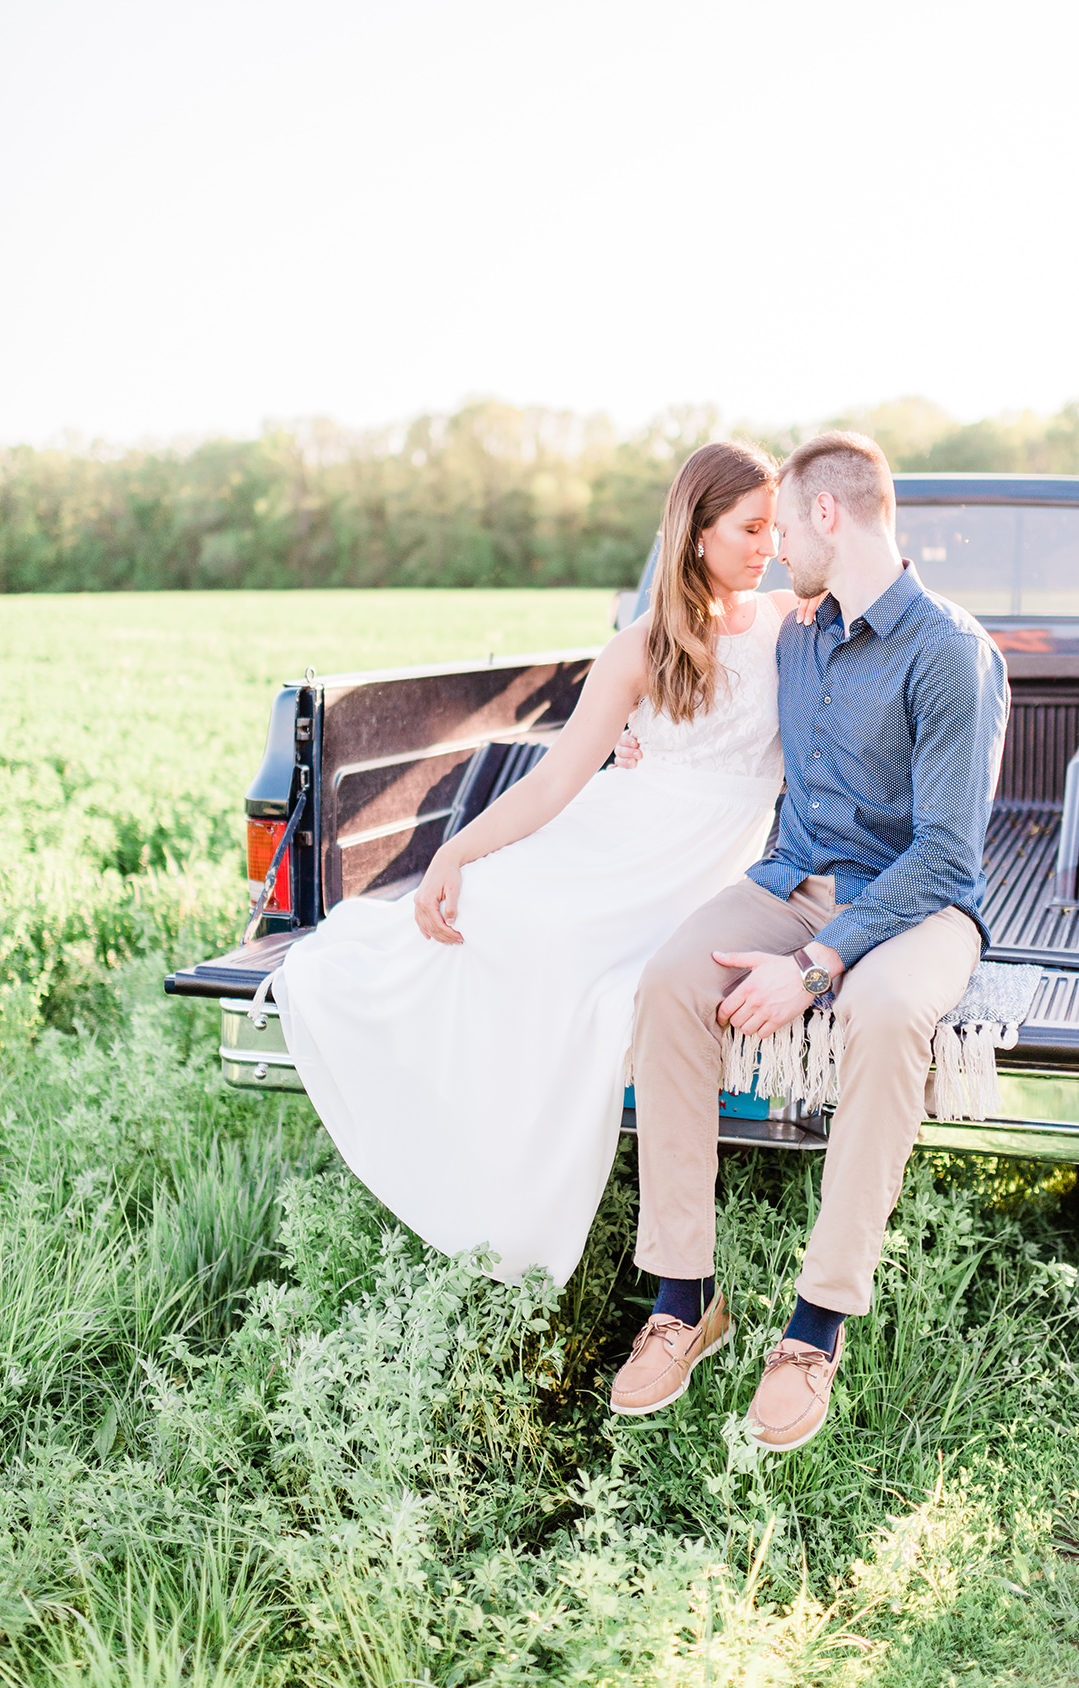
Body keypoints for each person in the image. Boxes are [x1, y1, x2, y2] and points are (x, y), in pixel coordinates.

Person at [267, 440, 815, 1288]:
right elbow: (559, 778)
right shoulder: (638, 648)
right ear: (697, 534)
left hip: (704, 864)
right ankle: (459, 1126)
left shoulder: (791, 622)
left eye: (775, 528)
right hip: (618, 837)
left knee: (587, 966)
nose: (769, 545)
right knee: (496, 910)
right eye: (750, 528)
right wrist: (455, 848)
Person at [608, 430, 1009, 1450]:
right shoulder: (793, 633)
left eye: (783, 526)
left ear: (829, 514)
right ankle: (683, 1293)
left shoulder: (949, 651)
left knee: (880, 1012)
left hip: (917, 908)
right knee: (667, 981)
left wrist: (814, 966)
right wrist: (639, 736)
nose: (776, 548)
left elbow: (947, 853)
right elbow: (696, 658)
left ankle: (814, 1328)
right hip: (791, 886)